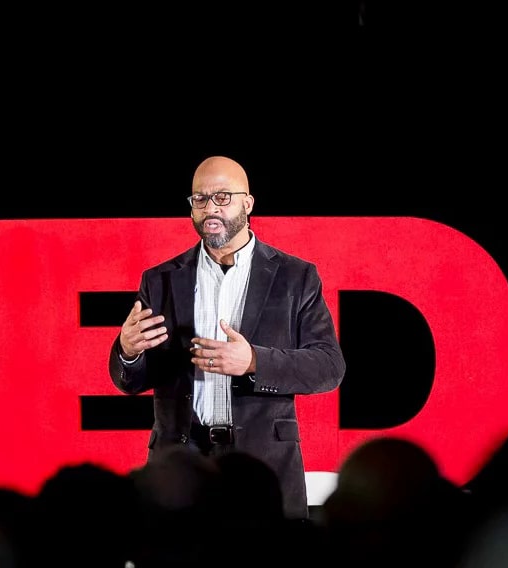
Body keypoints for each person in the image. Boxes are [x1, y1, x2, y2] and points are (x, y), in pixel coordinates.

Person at [108, 155, 346, 521]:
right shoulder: (160, 280)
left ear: (247, 203)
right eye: (199, 199)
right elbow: (133, 379)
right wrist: (127, 351)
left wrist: (253, 361)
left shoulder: (295, 277)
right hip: (180, 467)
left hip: (262, 466)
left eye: (222, 196)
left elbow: (329, 366)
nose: (209, 208)